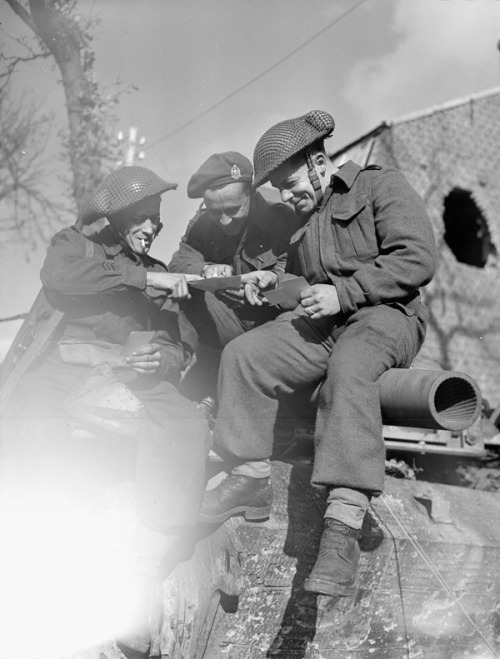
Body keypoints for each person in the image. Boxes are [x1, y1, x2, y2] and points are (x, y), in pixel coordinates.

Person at [199, 111, 437, 597]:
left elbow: (417, 257)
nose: (286, 198)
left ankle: (343, 529)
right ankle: (249, 477)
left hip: (388, 316)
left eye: (289, 186)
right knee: (247, 354)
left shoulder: (378, 185)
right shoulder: (303, 222)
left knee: (350, 370)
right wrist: (276, 283)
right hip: (328, 323)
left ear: (319, 161)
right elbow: (308, 286)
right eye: (280, 192)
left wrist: (344, 294)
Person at [0, 166, 209, 656]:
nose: (153, 227)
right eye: (144, 218)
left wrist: (165, 357)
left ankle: (142, 568)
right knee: (30, 434)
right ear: (115, 218)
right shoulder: (73, 245)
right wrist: (143, 278)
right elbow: (61, 277)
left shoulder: (156, 271)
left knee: (186, 423)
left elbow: (182, 344)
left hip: (128, 376)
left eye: (157, 220)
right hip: (59, 373)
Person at [169, 151, 300, 402]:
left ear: (251, 193)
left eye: (232, 209)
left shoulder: (283, 215)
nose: (224, 221)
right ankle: (172, 371)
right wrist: (204, 270)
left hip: (275, 328)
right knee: (180, 292)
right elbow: (179, 262)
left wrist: (264, 289)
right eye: (215, 211)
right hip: (230, 324)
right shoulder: (203, 221)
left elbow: (302, 281)